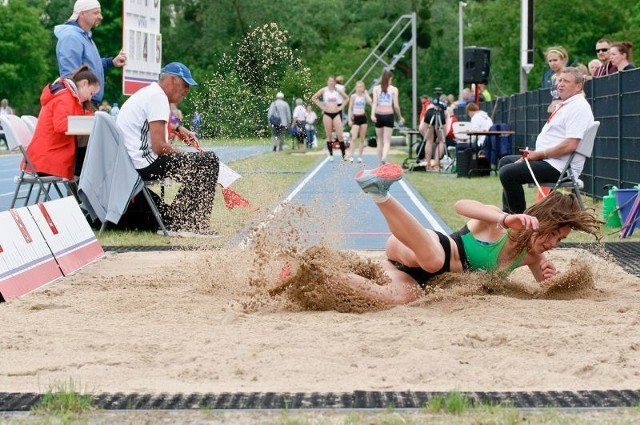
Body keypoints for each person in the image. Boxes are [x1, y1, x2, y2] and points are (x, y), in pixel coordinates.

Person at [294, 163, 600, 306]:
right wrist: (505, 217)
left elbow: (546, 290)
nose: (552, 243)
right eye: (553, 235)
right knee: (433, 258)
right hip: (415, 245)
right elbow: (461, 205)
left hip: (413, 275)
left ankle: (313, 275)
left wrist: (550, 275)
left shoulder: (533, 255)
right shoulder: (499, 223)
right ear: (541, 221)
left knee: (400, 299)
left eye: (559, 241)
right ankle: (380, 193)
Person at [116, 62, 220, 235]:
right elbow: (159, 147)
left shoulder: (152, 92)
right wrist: (186, 155)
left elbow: (163, 118)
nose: (187, 90)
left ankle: (181, 218)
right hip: (142, 164)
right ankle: (189, 223)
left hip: (131, 161)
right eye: (185, 84)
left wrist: (180, 129)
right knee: (207, 161)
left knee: (200, 162)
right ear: (172, 80)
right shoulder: (158, 98)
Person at [498, 67, 594, 214]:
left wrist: (539, 154)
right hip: (552, 161)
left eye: (566, 81)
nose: (560, 84)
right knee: (505, 162)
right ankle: (507, 213)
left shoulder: (578, 107)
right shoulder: (568, 104)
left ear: (578, 86)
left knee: (508, 172)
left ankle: (517, 219)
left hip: (560, 167)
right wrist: (536, 154)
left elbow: (571, 144)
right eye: (559, 80)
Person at [26, 66, 100, 180]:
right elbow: (60, 125)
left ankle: (81, 185)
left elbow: (78, 115)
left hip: (44, 158)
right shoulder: (65, 97)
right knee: (91, 152)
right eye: (91, 93)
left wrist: (95, 117)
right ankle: (81, 186)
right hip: (48, 161)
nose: (90, 99)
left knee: (88, 148)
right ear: (84, 83)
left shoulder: (68, 95)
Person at [54, 0, 127, 105]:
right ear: (82, 13)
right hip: (83, 103)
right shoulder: (71, 37)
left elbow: (89, 66)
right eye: (96, 13)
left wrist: (111, 62)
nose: (100, 17)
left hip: (88, 102)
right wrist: (84, 105)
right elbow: (70, 76)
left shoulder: (83, 36)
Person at [311, 75, 349, 161]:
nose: (331, 82)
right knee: (329, 135)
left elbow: (347, 98)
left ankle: (344, 155)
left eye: (333, 81)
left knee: (340, 135)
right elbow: (314, 98)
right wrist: (322, 107)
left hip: (336, 113)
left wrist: (341, 107)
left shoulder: (338, 91)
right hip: (327, 114)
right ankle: (331, 155)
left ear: (335, 82)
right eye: (330, 81)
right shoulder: (324, 90)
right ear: (327, 82)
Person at [370, 69, 403, 165]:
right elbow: (396, 106)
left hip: (379, 115)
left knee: (379, 140)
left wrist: (372, 115)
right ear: (389, 79)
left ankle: (380, 162)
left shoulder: (376, 89)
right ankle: (384, 157)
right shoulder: (394, 89)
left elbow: (374, 103)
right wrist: (400, 116)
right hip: (388, 115)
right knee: (387, 140)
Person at [417, 90, 446, 170]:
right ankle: (436, 164)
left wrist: (426, 137)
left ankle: (428, 164)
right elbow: (446, 118)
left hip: (429, 113)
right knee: (441, 141)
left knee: (429, 141)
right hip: (441, 113)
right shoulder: (445, 104)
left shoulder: (430, 105)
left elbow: (421, 127)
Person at [347, 80, 372, 163]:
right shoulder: (353, 96)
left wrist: (366, 93)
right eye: (358, 87)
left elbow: (371, 102)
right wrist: (349, 119)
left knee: (362, 138)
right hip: (356, 117)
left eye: (361, 87)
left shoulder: (364, 96)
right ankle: (351, 156)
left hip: (363, 117)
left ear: (363, 88)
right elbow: (350, 108)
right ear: (356, 88)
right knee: (353, 138)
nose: (359, 88)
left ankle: (360, 157)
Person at [541, 46, 569, 114]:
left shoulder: (569, 74)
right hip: (557, 113)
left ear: (563, 60)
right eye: (550, 61)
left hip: (567, 112)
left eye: (555, 60)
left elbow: (580, 94)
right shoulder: (553, 78)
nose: (552, 63)